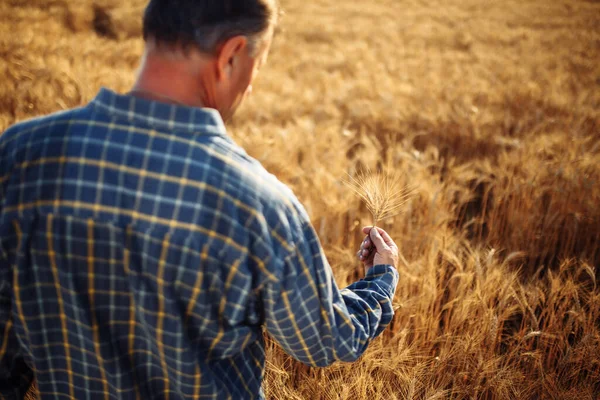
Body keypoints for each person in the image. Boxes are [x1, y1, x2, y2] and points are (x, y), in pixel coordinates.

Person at [0, 0, 400, 398]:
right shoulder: (258, 203)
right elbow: (325, 340)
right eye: (256, 66)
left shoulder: (19, 154)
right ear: (231, 55)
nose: (252, 84)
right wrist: (380, 280)